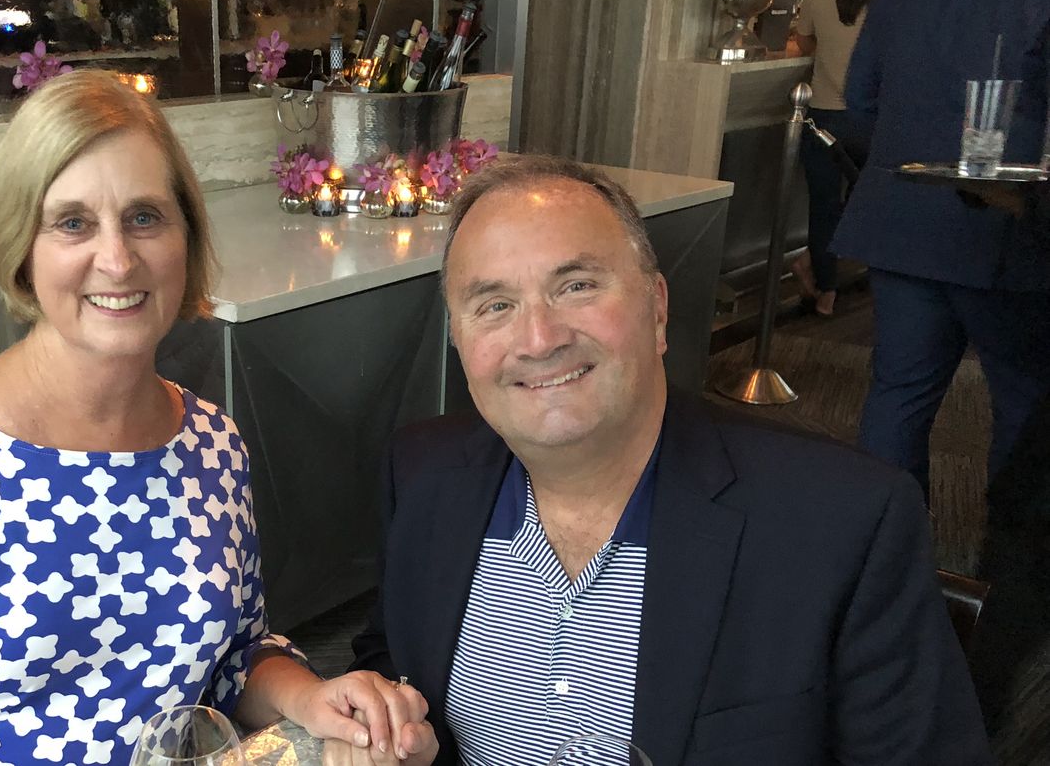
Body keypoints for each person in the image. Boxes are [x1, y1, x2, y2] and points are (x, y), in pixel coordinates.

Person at [0, 70, 433, 765]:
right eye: (73, 222)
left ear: (186, 237)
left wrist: (306, 695)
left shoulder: (211, 443)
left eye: (145, 216)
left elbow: (236, 654)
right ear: (22, 246)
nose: (117, 259)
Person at [334, 155, 989, 765]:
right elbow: (396, 664)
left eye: (577, 284)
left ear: (657, 307)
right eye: (495, 305)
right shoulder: (422, 476)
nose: (539, 338)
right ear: (460, 341)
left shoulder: (843, 522)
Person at [833, 0, 1050, 498]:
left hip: (903, 209)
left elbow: (861, 92)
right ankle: (1009, 571)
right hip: (1009, 219)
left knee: (898, 394)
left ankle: (886, 567)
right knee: (1025, 405)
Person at [789, 0, 878, 316]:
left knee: (824, 206)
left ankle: (825, 290)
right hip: (869, 120)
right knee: (864, 200)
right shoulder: (881, 5)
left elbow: (805, 42)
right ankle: (816, 261)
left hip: (823, 117)